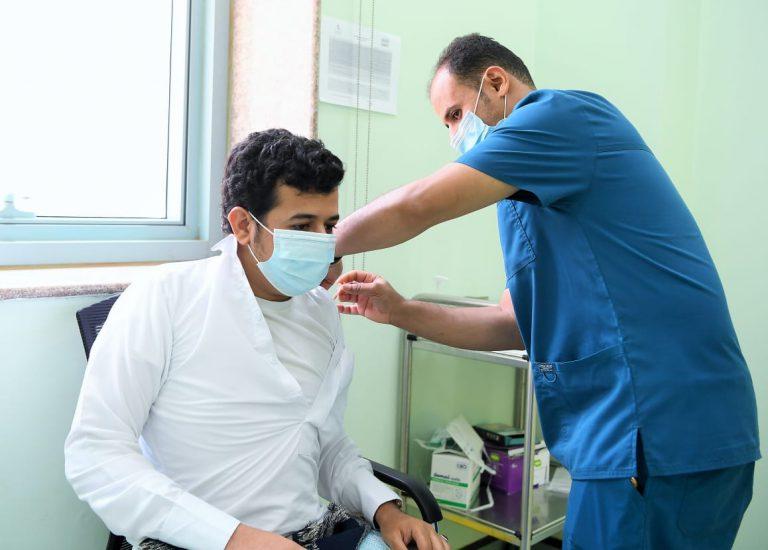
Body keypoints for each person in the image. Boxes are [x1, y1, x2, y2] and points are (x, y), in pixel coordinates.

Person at [331, 34, 760, 549]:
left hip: (659, 425)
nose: (454, 136)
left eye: (455, 115)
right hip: (636, 435)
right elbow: (513, 324)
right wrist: (400, 310)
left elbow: (418, 205)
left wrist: (322, 244)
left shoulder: (562, 118)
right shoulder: (525, 197)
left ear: (495, 82)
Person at [65, 130, 448, 550]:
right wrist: (235, 539)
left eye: (329, 226)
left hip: (312, 532)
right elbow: (95, 454)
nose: (322, 243)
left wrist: (385, 510)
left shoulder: (320, 311)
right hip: (197, 540)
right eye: (302, 226)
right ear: (244, 225)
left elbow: (327, 445)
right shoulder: (165, 298)